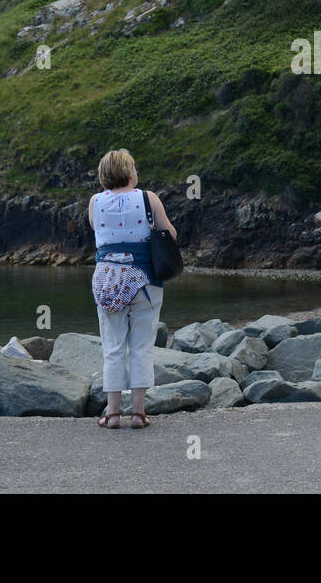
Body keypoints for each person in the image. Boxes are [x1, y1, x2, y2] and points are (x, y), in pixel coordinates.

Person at [89, 148, 176, 430]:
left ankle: (112, 414)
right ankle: (138, 414)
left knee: (112, 348)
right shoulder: (148, 198)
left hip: (107, 281)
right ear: (130, 172)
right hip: (145, 279)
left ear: (104, 176)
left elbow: (97, 231)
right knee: (141, 347)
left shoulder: (95, 202)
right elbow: (170, 234)